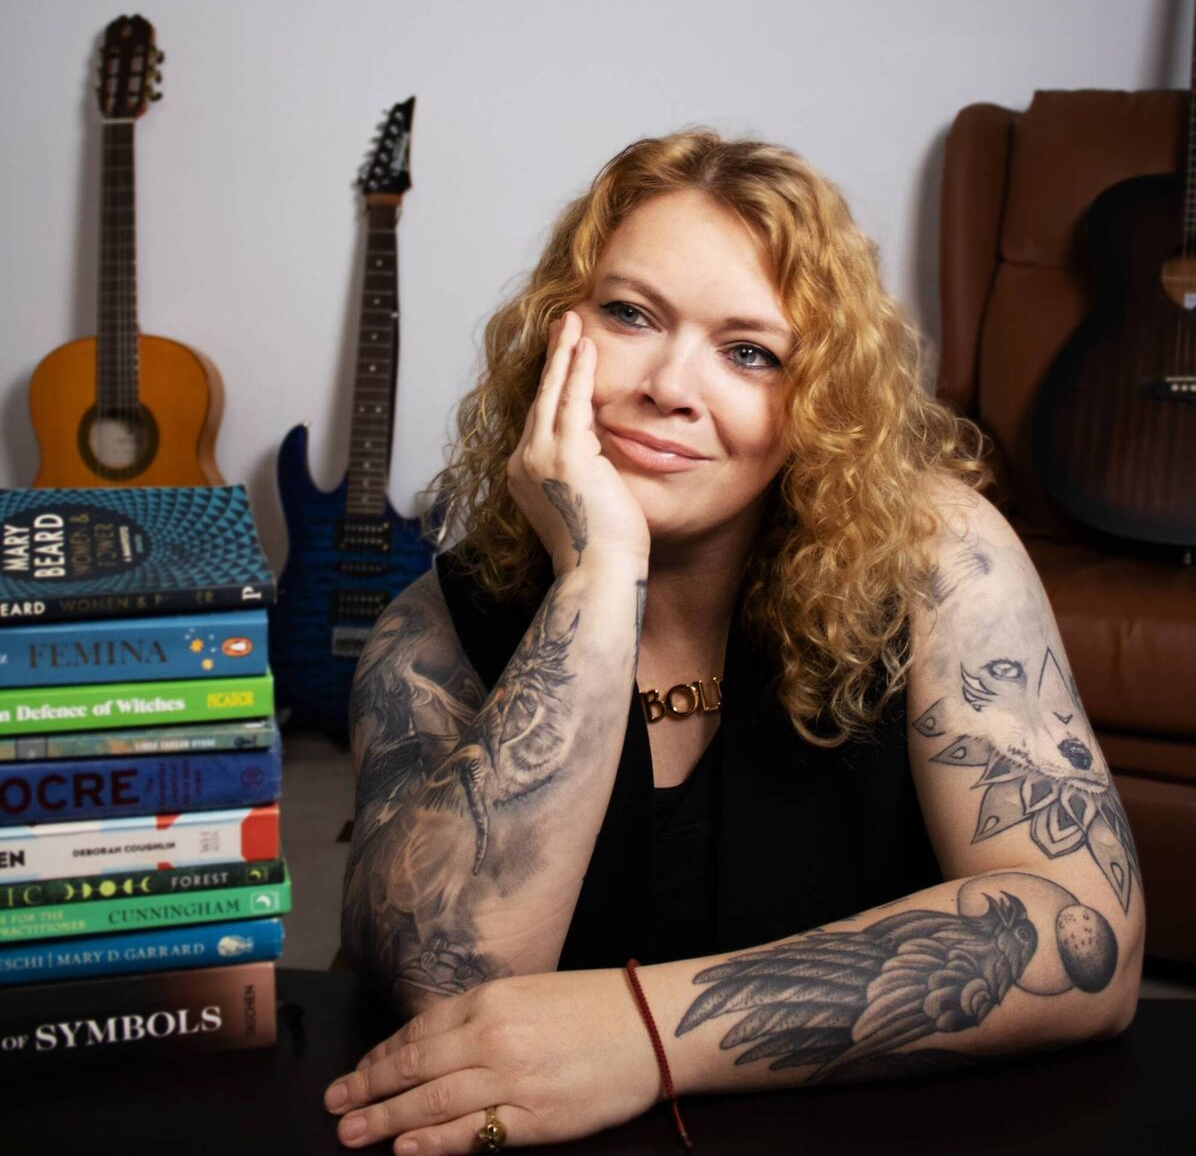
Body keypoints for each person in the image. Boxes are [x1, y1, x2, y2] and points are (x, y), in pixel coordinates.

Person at [324, 131, 1144, 1154]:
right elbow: (442, 983)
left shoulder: (939, 555)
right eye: (631, 315)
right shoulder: (429, 628)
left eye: (750, 352)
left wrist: (642, 1033)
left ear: (820, 404)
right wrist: (597, 575)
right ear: (556, 331)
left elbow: (1086, 940)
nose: (670, 386)